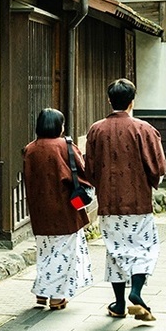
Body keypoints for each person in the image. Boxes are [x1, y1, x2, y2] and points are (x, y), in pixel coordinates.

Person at [85, 79, 166, 321]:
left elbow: (89, 168)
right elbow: (158, 167)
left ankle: (119, 304)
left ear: (110, 100)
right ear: (132, 101)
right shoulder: (144, 129)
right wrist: (153, 182)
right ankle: (136, 292)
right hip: (138, 201)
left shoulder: (96, 129)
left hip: (109, 203)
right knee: (145, 248)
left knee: (115, 250)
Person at [22, 108, 94, 310]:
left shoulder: (30, 149)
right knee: (63, 253)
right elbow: (82, 172)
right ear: (58, 126)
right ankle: (55, 297)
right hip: (65, 207)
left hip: (40, 208)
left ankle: (42, 294)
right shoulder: (65, 146)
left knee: (46, 250)